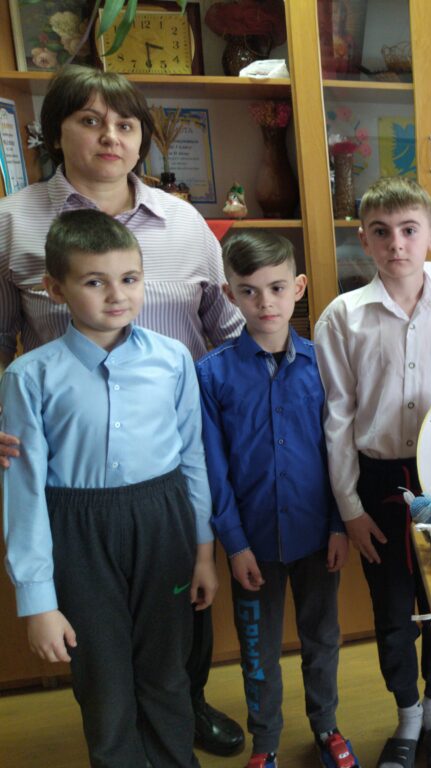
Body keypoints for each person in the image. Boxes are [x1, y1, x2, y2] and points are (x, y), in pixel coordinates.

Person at [0, 64, 245, 754]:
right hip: (68, 462)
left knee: (178, 627)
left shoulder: (183, 221)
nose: (110, 136)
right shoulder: (14, 221)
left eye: (126, 123)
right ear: (55, 132)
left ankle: (185, 710)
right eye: (90, 120)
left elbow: (228, 330)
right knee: (104, 658)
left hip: (172, 453)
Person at [1, 209, 217, 766]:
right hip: (77, 530)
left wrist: (203, 553)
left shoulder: (173, 359)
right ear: (56, 289)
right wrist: (38, 601)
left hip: (163, 521)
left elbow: (192, 459)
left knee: (167, 670)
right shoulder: (29, 376)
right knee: (103, 680)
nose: (117, 295)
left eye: (129, 278)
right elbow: (23, 491)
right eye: (94, 282)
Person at [315, 177, 431, 768]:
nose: (397, 244)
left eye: (410, 230)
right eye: (382, 232)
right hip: (377, 482)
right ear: (364, 239)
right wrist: (350, 509)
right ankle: (407, 715)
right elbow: (337, 419)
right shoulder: (343, 318)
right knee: (392, 611)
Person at [196, 231, 357, 768]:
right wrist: (234, 544)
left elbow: (339, 453)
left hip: (317, 537)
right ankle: (265, 743)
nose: (265, 303)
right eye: (248, 291)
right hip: (253, 544)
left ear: (299, 287)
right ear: (229, 294)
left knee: (322, 638)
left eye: (277, 288)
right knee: (258, 650)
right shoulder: (211, 374)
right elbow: (213, 469)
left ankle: (327, 727)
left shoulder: (323, 365)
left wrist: (338, 525)